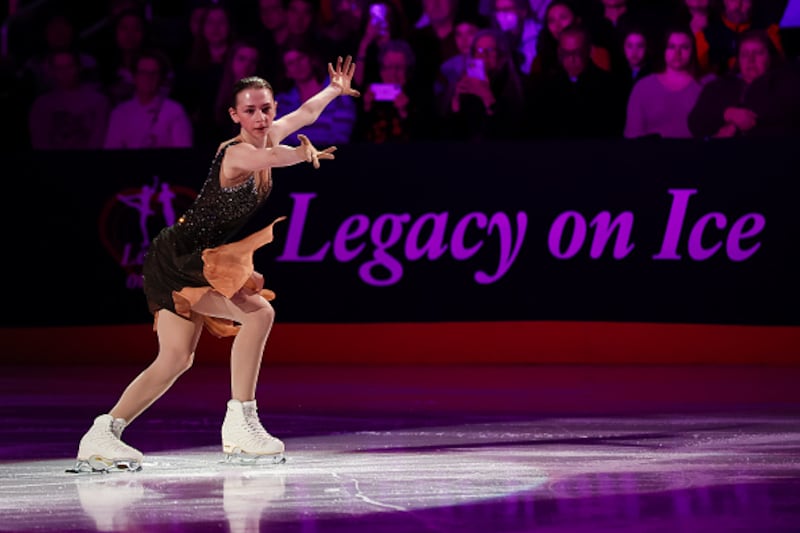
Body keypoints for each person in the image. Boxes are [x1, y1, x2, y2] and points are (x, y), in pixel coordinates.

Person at [69, 55, 361, 473]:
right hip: (181, 259)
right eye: (250, 110)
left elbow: (306, 113)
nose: (260, 118)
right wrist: (300, 155)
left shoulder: (271, 132)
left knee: (174, 359)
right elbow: (275, 159)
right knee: (260, 314)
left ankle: (102, 434)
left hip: (188, 256)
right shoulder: (238, 154)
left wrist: (334, 89)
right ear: (234, 115)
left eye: (266, 108)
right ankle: (241, 420)